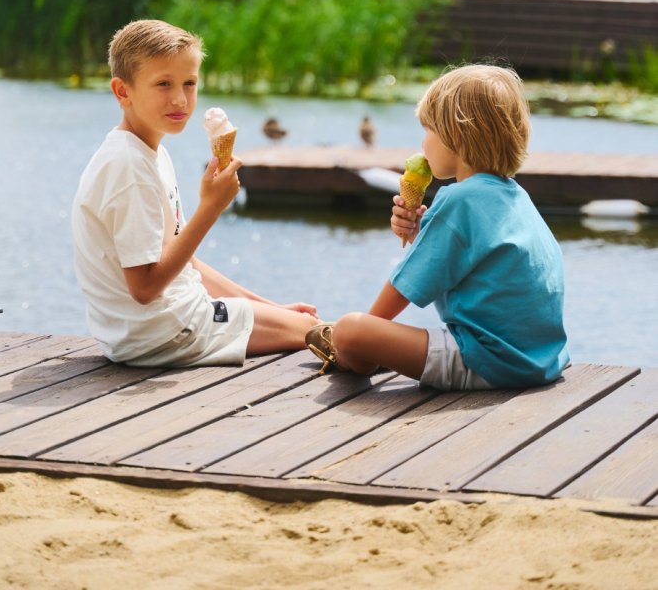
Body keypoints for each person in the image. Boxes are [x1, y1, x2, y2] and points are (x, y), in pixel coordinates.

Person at [71, 20, 319, 372]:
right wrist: (211, 208)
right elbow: (144, 288)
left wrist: (271, 307)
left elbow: (184, 264)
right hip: (165, 333)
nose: (180, 99)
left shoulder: (149, 153)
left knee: (301, 323)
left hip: (155, 328)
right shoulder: (129, 167)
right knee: (315, 331)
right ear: (122, 92)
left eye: (189, 83)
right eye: (163, 84)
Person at [309, 65, 568, 390]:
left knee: (351, 329)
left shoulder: (459, 199)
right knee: (364, 330)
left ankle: (349, 353)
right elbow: (460, 262)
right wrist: (421, 231)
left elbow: (403, 286)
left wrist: (368, 328)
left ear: (454, 135)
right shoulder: (514, 196)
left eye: (427, 129)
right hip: (539, 360)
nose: (422, 143)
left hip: (489, 362)